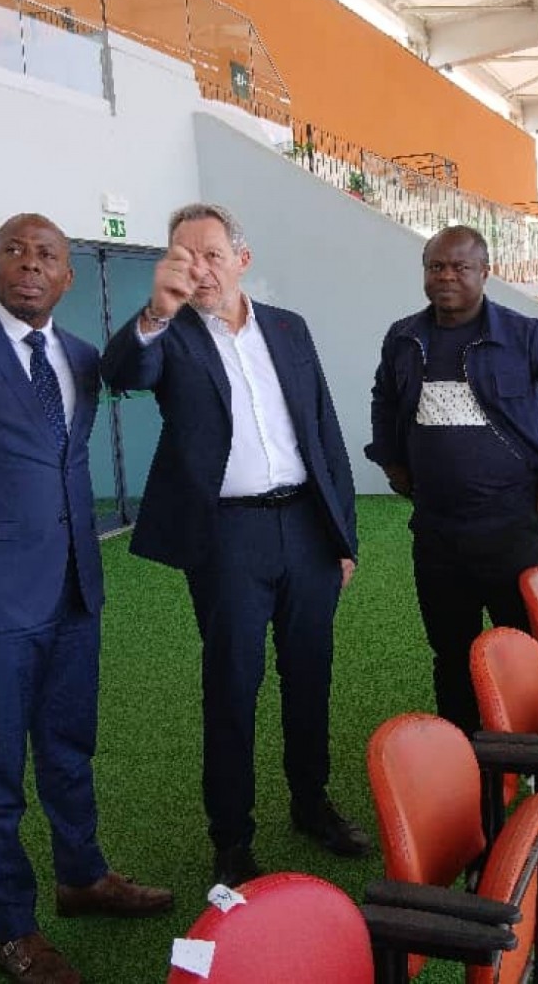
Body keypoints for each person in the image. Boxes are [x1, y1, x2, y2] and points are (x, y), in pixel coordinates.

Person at [0, 214, 173, 984]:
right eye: (14, 250)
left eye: (46, 254)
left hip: (75, 589)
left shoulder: (80, 358)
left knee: (69, 745)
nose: (29, 264)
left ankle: (82, 876)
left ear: (67, 277)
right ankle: (13, 928)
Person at [100, 202, 366, 889]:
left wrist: (343, 537)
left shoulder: (289, 328)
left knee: (310, 673)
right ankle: (232, 836)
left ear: (242, 261)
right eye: (183, 256)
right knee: (231, 684)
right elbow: (121, 373)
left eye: (212, 255)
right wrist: (156, 312)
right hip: (227, 536)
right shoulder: (170, 334)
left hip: (305, 526)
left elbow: (325, 432)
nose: (199, 270)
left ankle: (311, 803)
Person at [366, 224, 538, 733]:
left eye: (460, 267)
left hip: (510, 525)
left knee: (520, 646)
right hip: (436, 529)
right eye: (436, 267)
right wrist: (392, 462)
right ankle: (461, 746)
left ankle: (533, 748)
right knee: (449, 650)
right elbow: (385, 400)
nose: (446, 277)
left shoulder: (526, 336)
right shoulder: (404, 338)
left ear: (485, 272)